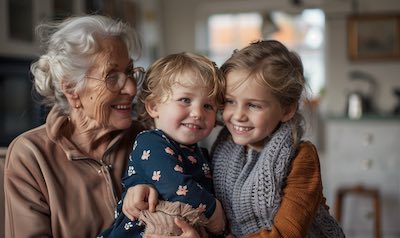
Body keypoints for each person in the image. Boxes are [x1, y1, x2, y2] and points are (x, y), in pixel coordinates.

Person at [127, 40, 345, 238]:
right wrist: (139, 185)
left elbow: (287, 233)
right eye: (230, 102)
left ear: (287, 110)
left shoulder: (300, 157)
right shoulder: (222, 147)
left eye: (253, 105)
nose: (238, 115)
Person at [3, 15, 145, 237]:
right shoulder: (32, 156)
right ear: (71, 89)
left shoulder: (147, 138)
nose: (131, 89)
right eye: (112, 76)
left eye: (129, 72)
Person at [98, 52, 227, 238]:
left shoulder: (203, 155)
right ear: (154, 106)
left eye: (208, 106)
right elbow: (173, 184)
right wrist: (214, 211)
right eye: (185, 100)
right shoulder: (150, 141)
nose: (198, 113)